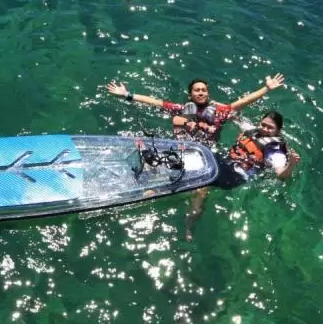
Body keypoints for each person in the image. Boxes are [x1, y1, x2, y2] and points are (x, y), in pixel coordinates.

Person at [185, 111, 300, 239]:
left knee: (203, 185)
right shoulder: (253, 131)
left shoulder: (275, 152)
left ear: (278, 130)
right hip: (226, 162)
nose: (265, 129)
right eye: (263, 125)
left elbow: (281, 175)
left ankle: (190, 224)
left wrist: (291, 164)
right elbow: (237, 120)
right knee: (199, 152)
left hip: (237, 176)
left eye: (270, 128)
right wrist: (229, 114)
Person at [105, 74, 286, 144]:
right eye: (197, 90)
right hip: (183, 143)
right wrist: (127, 94)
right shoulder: (183, 108)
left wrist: (267, 89)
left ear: (208, 93)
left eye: (204, 90)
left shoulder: (220, 111)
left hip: (208, 147)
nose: (201, 92)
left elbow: (244, 101)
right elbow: (154, 102)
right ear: (190, 94)